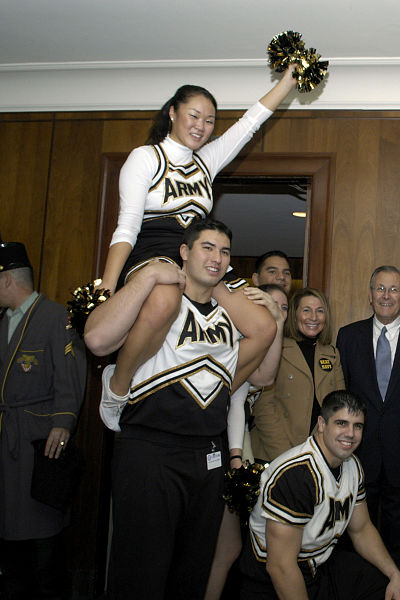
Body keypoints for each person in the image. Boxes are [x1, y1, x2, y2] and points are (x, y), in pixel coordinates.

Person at [85, 66, 299, 413]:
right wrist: (105, 289)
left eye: (210, 120)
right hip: (154, 251)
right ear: (173, 112)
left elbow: (250, 123)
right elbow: (126, 227)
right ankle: (118, 387)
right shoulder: (146, 157)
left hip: (199, 259)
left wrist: (289, 80)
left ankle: (218, 396)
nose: (201, 126)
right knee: (164, 301)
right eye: (194, 115)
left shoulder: (206, 162)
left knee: (263, 325)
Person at [86, 218, 271, 599]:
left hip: (206, 452)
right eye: (206, 247)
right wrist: (151, 274)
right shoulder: (161, 298)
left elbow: (265, 331)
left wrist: (223, 289)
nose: (217, 257)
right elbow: (96, 339)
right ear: (184, 252)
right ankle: (115, 389)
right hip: (150, 446)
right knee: (141, 568)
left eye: (223, 251)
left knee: (192, 569)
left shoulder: (227, 315)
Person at [239, 390, 400, 600]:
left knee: (386, 586)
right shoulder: (297, 475)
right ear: (321, 424)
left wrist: (394, 573)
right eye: (341, 423)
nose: (350, 434)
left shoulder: (352, 465)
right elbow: (280, 567)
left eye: (358, 426)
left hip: (318, 565)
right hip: (270, 581)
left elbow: (361, 529)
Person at [336, 265, 400, 597]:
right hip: (358, 457)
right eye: (380, 289)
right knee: (356, 536)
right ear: (370, 295)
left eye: (394, 290)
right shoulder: (347, 336)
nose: (386, 296)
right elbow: (342, 396)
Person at [0, 239, 86, 599]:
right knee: (9, 532)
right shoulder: (2, 322)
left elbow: (71, 374)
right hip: (7, 439)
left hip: (38, 444)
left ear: (6, 280)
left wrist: (62, 424)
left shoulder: (55, 316)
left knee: (41, 531)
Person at [203, 283, 289, 600]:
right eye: (269, 305)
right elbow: (236, 400)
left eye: (282, 307)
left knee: (227, 547)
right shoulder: (232, 337)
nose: (277, 311)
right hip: (215, 444)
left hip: (231, 443)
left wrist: (277, 324)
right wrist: (236, 458)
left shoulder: (260, 341)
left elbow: (265, 377)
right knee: (217, 545)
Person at [250, 287, 345, 463]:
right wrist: (288, 457)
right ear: (294, 315)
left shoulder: (332, 354)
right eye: (306, 310)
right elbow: (263, 407)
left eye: (320, 311)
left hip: (316, 454)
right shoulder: (275, 348)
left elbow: (338, 407)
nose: (314, 317)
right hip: (273, 454)